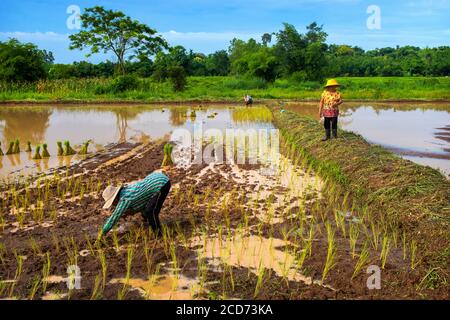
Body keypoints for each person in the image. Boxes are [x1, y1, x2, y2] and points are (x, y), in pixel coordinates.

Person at [101, 170, 171, 236]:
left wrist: (102, 233)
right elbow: (141, 203)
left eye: (112, 203)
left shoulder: (124, 199)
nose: (113, 205)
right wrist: (129, 212)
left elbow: (114, 218)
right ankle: (148, 223)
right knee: (147, 210)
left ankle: (158, 234)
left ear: (115, 198)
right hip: (158, 177)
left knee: (150, 212)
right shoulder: (126, 190)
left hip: (160, 183)